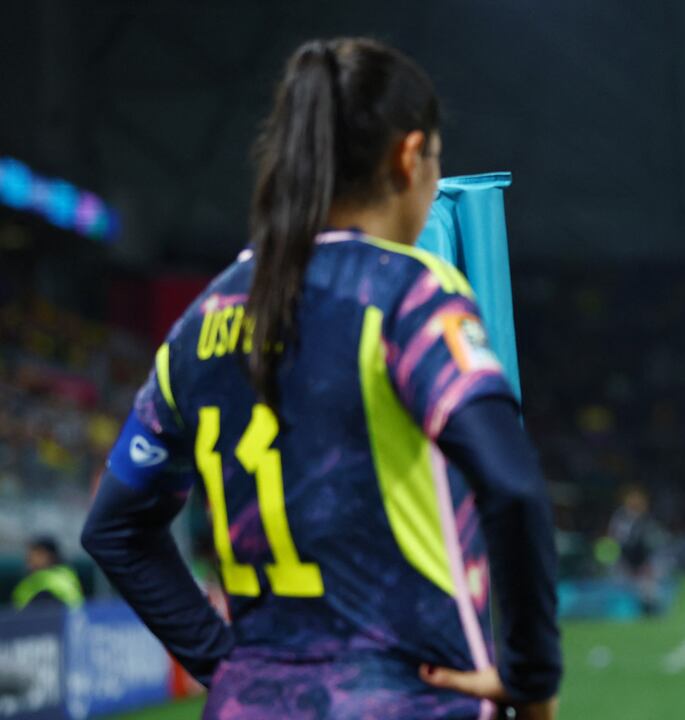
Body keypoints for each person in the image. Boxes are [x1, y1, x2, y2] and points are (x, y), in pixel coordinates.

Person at [80, 37, 560, 720]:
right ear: (408, 156)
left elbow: (115, 530)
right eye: (437, 161)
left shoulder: (199, 322)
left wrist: (224, 664)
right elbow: (512, 489)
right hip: (406, 700)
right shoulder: (410, 295)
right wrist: (532, 680)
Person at [10, 536, 83, 610]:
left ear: (51, 556)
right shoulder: (29, 581)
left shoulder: (57, 580)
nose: (30, 557)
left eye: (38, 554)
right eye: (30, 552)